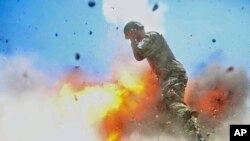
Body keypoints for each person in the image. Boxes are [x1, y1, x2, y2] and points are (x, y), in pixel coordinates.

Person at [123, 21, 205, 141]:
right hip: (168, 76)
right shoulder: (149, 39)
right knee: (165, 112)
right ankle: (187, 131)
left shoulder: (150, 36)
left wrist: (133, 41)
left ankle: (194, 134)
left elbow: (139, 56)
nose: (130, 38)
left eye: (130, 35)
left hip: (173, 74)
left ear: (136, 30)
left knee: (172, 101)